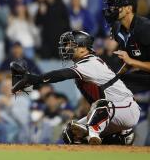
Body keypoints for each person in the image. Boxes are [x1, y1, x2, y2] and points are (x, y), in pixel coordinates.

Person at [11, 30, 140, 145]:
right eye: (66, 44)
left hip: (127, 108)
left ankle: (96, 132)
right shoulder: (84, 64)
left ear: (83, 48)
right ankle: (120, 138)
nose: (66, 47)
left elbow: (61, 75)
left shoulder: (91, 62)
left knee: (100, 106)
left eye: (71, 44)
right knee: (70, 133)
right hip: (109, 113)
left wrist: (33, 79)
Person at [102, 0, 150, 92]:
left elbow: (131, 60)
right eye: (111, 6)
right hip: (145, 73)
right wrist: (115, 77)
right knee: (112, 88)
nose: (111, 10)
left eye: (116, 6)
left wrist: (131, 61)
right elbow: (130, 58)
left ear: (129, 8)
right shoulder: (117, 29)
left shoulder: (145, 28)